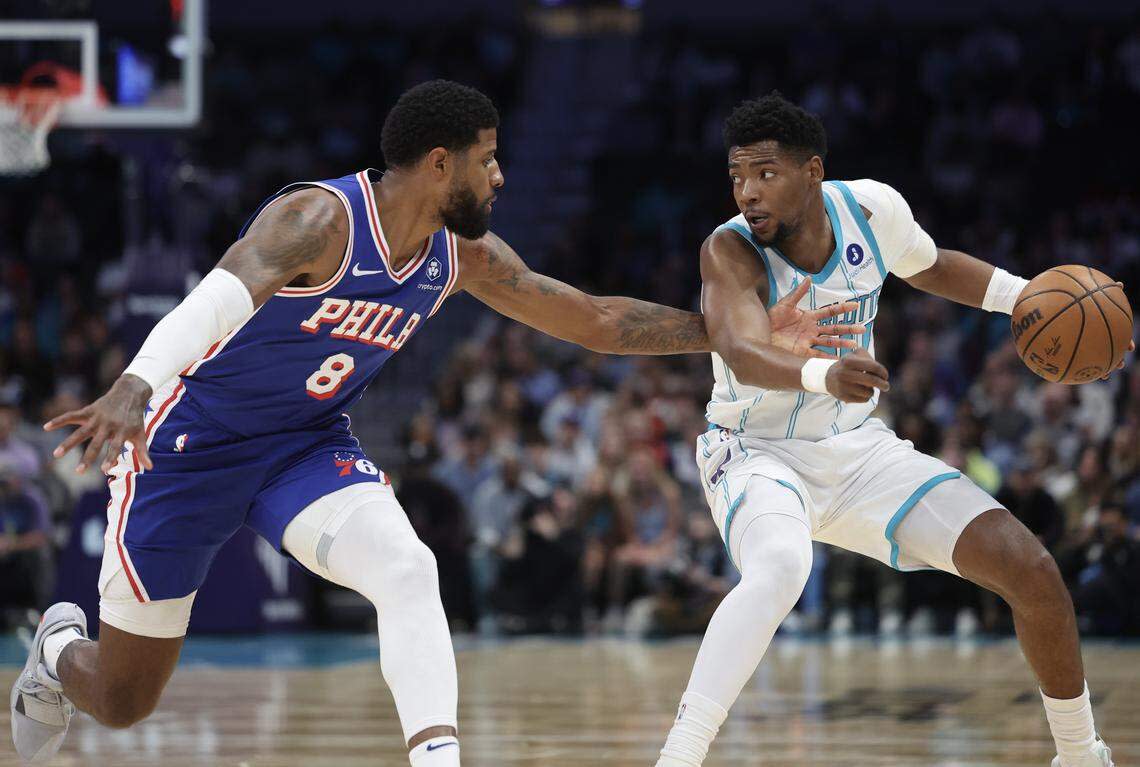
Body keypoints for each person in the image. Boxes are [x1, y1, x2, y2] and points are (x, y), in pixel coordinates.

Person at [11, 80, 862, 765]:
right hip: (189, 447)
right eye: (488, 161)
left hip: (303, 448)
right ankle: (54, 650)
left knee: (410, 569)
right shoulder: (319, 221)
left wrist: (737, 332)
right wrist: (134, 384)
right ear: (439, 162)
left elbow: (595, 319)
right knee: (123, 699)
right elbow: (214, 298)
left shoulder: (460, 254)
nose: (500, 178)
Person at [655, 92, 1131, 767]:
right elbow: (740, 349)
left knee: (1032, 569)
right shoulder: (728, 249)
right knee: (782, 567)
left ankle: (1081, 754)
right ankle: (678, 757)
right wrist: (823, 373)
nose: (747, 192)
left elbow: (932, 264)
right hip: (755, 453)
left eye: (765, 173)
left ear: (812, 172)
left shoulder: (873, 210)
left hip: (860, 451)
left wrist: (1025, 297)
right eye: (737, 176)